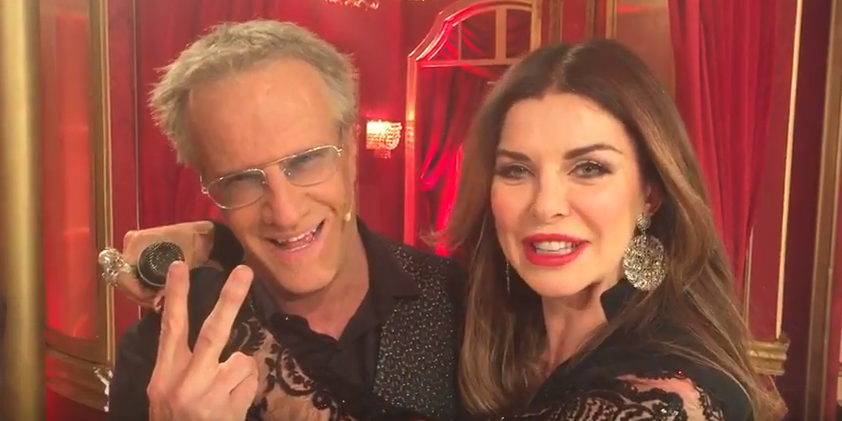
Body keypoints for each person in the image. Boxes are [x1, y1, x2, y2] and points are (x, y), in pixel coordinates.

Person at [115, 39, 788, 421]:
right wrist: (215, 243)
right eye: (517, 170)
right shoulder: (503, 324)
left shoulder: (457, 305)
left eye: (589, 167)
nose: (547, 205)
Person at [102, 20, 465, 421]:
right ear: (207, 186)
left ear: (350, 149)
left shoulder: (466, 308)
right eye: (241, 180)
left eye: (306, 160)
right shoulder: (161, 356)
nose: (286, 213)